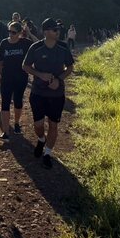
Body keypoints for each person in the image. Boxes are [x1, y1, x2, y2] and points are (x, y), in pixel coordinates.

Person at [23, 17, 75, 169]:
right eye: (55, 29)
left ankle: (47, 153)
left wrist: (59, 79)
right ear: (46, 32)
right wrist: (40, 75)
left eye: (58, 29)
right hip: (38, 92)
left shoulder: (63, 47)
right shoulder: (36, 47)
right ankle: (41, 139)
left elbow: (70, 67)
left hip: (56, 94)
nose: (58, 31)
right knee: (38, 124)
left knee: (53, 125)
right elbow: (25, 66)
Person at [0, 21, 32, 139]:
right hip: (6, 77)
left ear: (20, 33)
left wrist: (30, 33)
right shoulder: (4, 43)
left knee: (18, 101)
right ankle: (6, 131)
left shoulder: (25, 43)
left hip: (20, 78)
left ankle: (16, 123)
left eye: (13, 32)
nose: (10, 34)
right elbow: (0, 60)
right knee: (5, 102)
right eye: (9, 31)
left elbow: (39, 44)